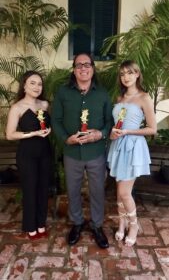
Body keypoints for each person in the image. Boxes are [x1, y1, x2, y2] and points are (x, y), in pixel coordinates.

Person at [51, 53, 112, 248]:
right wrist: (64, 139)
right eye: (79, 65)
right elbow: (56, 121)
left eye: (87, 64)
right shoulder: (63, 92)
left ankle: (97, 225)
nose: (83, 68)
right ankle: (77, 223)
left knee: (97, 191)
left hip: (96, 152)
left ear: (93, 68)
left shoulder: (102, 94)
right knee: (73, 190)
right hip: (72, 153)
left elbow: (109, 122)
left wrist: (100, 134)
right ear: (74, 69)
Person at [107, 60, 157, 246]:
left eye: (129, 73)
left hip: (133, 148)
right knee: (119, 194)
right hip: (118, 146)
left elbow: (152, 129)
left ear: (137, 74)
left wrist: (128, 132)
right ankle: (122, 223)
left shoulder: (144, 97)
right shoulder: (119, 98)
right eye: (122, 74)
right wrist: (113, 133)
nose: (126, 77)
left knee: (124, 192)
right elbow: (117, 125)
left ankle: (134, 225)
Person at [6, 70, 52, 240]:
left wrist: (49, 130)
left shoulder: (45, 105)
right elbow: (10, 134)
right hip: (27, 154)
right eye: (32, 83)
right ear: (24, 86)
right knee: (30, 189)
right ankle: (30, 226)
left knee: (42, 189)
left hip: (45, 152)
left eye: (39, 84)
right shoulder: (17, 107)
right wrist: (31, 134)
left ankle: (41, 223)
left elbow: (50, 125)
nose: (36, 87)